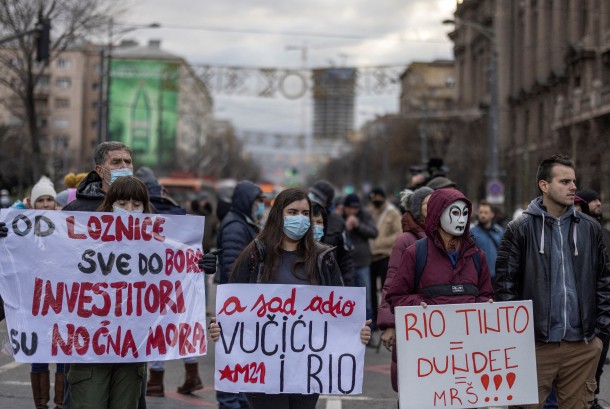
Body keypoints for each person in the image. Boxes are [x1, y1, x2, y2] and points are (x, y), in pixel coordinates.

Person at [208, 188, 371, 409]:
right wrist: (220, 327)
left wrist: (356, 331)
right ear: (278, 215)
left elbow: (339, 312)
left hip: (307, 366)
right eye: (292, 212)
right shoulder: (256, 254)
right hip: (263, 365)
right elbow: (232, 305)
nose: (301, 219)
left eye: (305, 213)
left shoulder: (323, 258)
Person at [495, 154, 610, 409]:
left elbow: (604, 280)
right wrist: (518, 340)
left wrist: (600, 333)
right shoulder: (519, 228)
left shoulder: (590, 228)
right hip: (536, 347)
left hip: (582, 346)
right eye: (565, 181)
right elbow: (505, 287)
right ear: (544, 185)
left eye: (574, 181)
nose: (573, 187)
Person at [385, 188, 493, 403]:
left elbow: (486, 293)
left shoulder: (476, 256)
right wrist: (420, 304)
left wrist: (485, 305)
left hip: (465, 364)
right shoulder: (416, 253)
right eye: (454, 213)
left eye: (464, 214)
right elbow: (396, 296)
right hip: (426, 362)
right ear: (436, 213)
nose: (461, 219)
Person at [377, 186, 433, 391]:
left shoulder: (450, 239)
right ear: (418, 209)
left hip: (438, 326)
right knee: (413, 389)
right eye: (428, 203)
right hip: (414, 324)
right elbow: (392, 281)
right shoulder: (406, 241)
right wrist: (389, 323)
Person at [215, 180, 265, 409]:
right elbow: (233, 268)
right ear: (246, 201)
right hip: (236, 306)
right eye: (257, 202)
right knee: (233, 361)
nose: (260, 207)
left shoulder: (243, 222)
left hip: (242, 304)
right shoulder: (235, 226)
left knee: (242, 362)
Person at [27, 176, 65, 409]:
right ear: (32, 204)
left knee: (63, 355)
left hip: (62, 301)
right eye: (40, 200)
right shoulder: (20, 227)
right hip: (35, 302)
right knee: (38, 355)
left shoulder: (65, 223)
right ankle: (41, 404)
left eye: (49, 199)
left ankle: (61, 404)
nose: (45, 204)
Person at [576, 188, 610, 409]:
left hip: (602, 311)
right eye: (594, 200)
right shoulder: (583, 232)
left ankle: (591, 398)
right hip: (584, 311)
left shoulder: (601, 231)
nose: (599, 203)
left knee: (597, 363)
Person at [62, 141, 133, 212]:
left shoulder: (143, 203)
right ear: (100, 171)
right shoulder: (75, 210)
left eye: (128, 162)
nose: (124, 166)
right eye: (116, 162)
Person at [308, 180, 355, 286]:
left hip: (329, 281)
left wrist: (347, 286)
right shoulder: (301, 217)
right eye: (313, 194)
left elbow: (346, 258)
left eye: (318, 197)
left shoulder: (338, 223)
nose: (313, 199)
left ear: (327, 202)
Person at [368, 187, 402, 331]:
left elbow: (398, 233)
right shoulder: (371, 212)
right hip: (371, 257)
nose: (375, 200)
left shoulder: (393, 213)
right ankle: (374, 319)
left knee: (384, 290)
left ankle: (386, 318)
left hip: (385, 256)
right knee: (371, 291)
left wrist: (380, 242)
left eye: (377, 197)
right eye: (373, 197)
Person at [343, 193, 378, 325]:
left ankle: (368, 327)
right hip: (346, 264)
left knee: (365, 297)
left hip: (362, 263)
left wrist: (358, 226)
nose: (352, 211)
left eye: (355, 208)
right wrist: (346, 227)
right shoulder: (340, 216)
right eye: (350, 208)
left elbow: (374, 232)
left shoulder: (364, 215)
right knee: (348, 298)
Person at [470, 200, 504, 282]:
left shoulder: (499, 231)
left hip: (496, 277)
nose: (482, 215)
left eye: (486, 212)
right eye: (481, 212)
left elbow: (504, 253)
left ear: (492, 214)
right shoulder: (472, 232)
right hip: (479, 277)